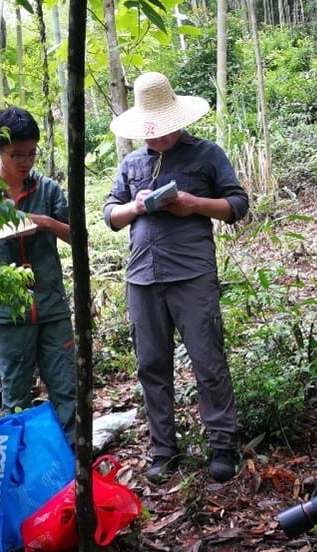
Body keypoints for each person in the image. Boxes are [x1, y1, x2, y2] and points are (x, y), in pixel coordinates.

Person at [103, 72, 250, 484]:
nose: (159, 138)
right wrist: (135, 208)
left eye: (165, 129)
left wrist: (194, 204)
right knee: (151, 365)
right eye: (152, 132)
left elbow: (238, 203)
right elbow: (109, 215)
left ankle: (223, 446)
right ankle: (163, 450)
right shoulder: (132, 163)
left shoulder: (206, 154)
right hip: (142, 278)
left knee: (208, 360)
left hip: (192, 274)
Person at [0, 107, 77, 446]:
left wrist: (44, 222)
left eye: (31, 153)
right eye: (17, 154)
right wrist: (4, 227)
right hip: (6, 312)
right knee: (15, 397)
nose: (25, 161)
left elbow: (78, 236)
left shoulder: (47, 190)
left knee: (66, 389)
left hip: (51, 306)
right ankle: (20, 473)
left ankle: (73, 468)